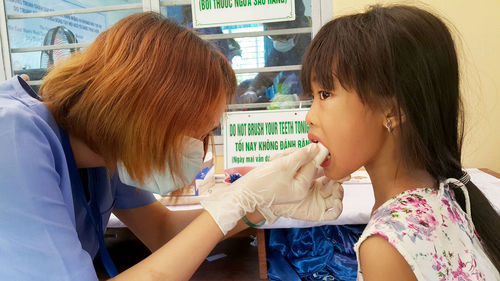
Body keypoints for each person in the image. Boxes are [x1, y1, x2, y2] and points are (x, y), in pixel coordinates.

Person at [0, 12, 343, 280]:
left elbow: (163, 232)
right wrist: (240, 199)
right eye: (194, 133)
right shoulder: (14, 137)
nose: (199, 150)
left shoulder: (106, 155)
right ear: (142, 113)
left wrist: (265, 205)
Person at [302, 5, 500, 281]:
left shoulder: (386, 247)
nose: (310, 117)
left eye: (325, 94)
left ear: (392, 111)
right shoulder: (448, 193)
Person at [239, 0, 311, 104]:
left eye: (281, 36)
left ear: (299, 26)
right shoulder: (281, 49)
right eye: (272, 36)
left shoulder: (316, 37)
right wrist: (252, 91)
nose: (277, 41)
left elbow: (325, 87)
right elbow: (267, 75)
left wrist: (297, 99)